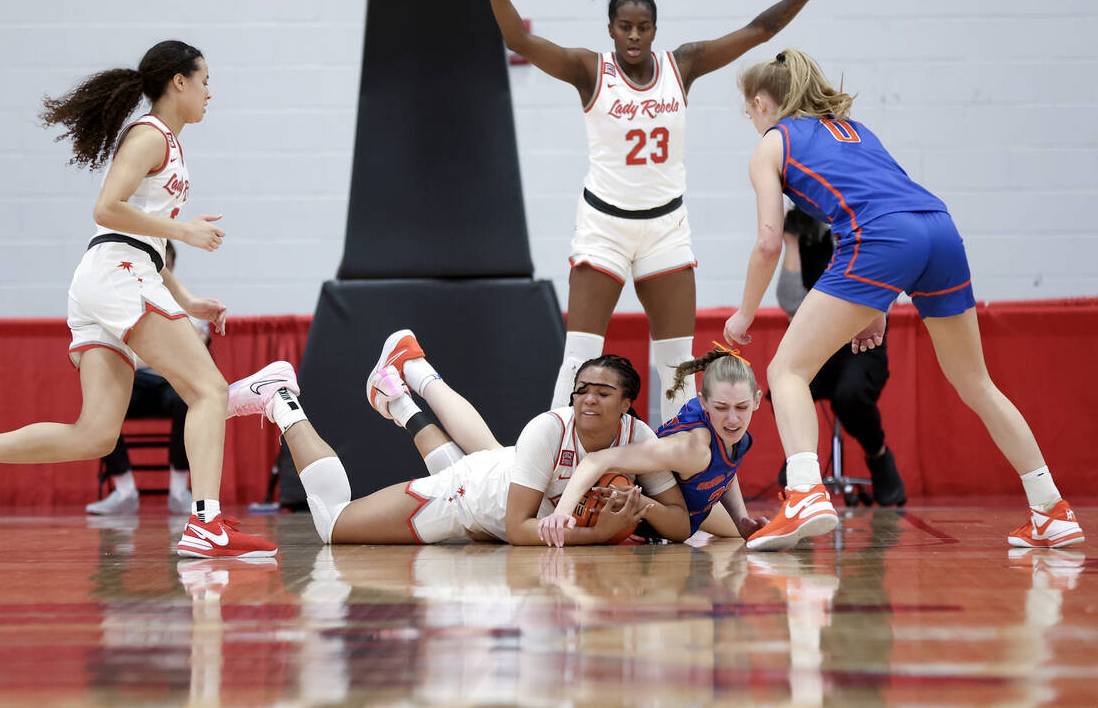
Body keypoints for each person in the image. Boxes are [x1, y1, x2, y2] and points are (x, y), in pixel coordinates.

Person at [0, 40, 292, 559]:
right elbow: (107, 209)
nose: (209, 92)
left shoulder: (170, 144)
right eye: (204, 81)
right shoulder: (149, 134)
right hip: (117, 275)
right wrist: (182, 231)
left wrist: (188, 298)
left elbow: (144, 242)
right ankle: (205, 522)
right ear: (178, 82)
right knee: (208, 391)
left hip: (112, 276)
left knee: (94, 435)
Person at [457, 0, 826, 422]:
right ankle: (555, 478)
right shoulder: (591, 69)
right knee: (578, 360)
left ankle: (675, 481)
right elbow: (519, 40)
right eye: (625, 28)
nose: (634, 36)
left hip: (665, 227)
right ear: (610, 29)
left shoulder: (684, 65)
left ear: (656, 29)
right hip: (604, 225)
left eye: (643, 28)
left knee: (677, 365)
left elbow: (758, 31)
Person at [724, 47, 1084, 550]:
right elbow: (893, 206)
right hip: (939, 230)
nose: (750, 119)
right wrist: (878, 307)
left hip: (881, 240)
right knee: (976, 382)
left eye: (749, 109)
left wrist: (744, 313)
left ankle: (805, 492)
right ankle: (1051, 508)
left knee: (787, 371)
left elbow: (769, 241)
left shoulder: (772, 143)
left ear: (763, 102)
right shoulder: (856, 130)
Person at [268, 330, 699, 545]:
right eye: (581, 390)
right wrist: (601, 534)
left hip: (500, 474)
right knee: (333, 526)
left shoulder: (638, 435)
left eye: (603, 393)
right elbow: (519, 527)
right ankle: (280, 400)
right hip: (468, 494)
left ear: (627, 403)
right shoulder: (550, 427)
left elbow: (680, 526)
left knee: (488, 454)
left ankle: (402, 394)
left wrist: (644, 506)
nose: (588, 400)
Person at [537, 345, 770, 548]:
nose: (732, 419)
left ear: (757, 400)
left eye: (741, 407)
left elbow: (725, 469)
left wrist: (741, 519)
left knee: (749, 537)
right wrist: (561, 513)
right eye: (721, 407)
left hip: (691, 512)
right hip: (624, 504)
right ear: (703, 402)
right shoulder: (692, 450)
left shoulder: (736, 435)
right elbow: (596, 460)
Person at [774, 207, 905, 505]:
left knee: (850, 394)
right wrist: (791, 241)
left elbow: (879, 306)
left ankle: (879, 457)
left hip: (862, 343)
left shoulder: (867, 232)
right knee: (785, 382)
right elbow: (790, 301)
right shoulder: (809, 234)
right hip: (819, 344)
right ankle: (801, 458)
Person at [87, 241, 203, 516]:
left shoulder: (190, 305)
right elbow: (115, 354)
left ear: (171, 268)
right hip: (134, 381)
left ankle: (179, 490)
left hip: (170, 382)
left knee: (187, 399)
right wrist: (164, 351)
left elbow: (193, 356)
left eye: (163, 264)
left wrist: (144, 353)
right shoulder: (121, 303)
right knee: (101, 401)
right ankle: (124, 491)